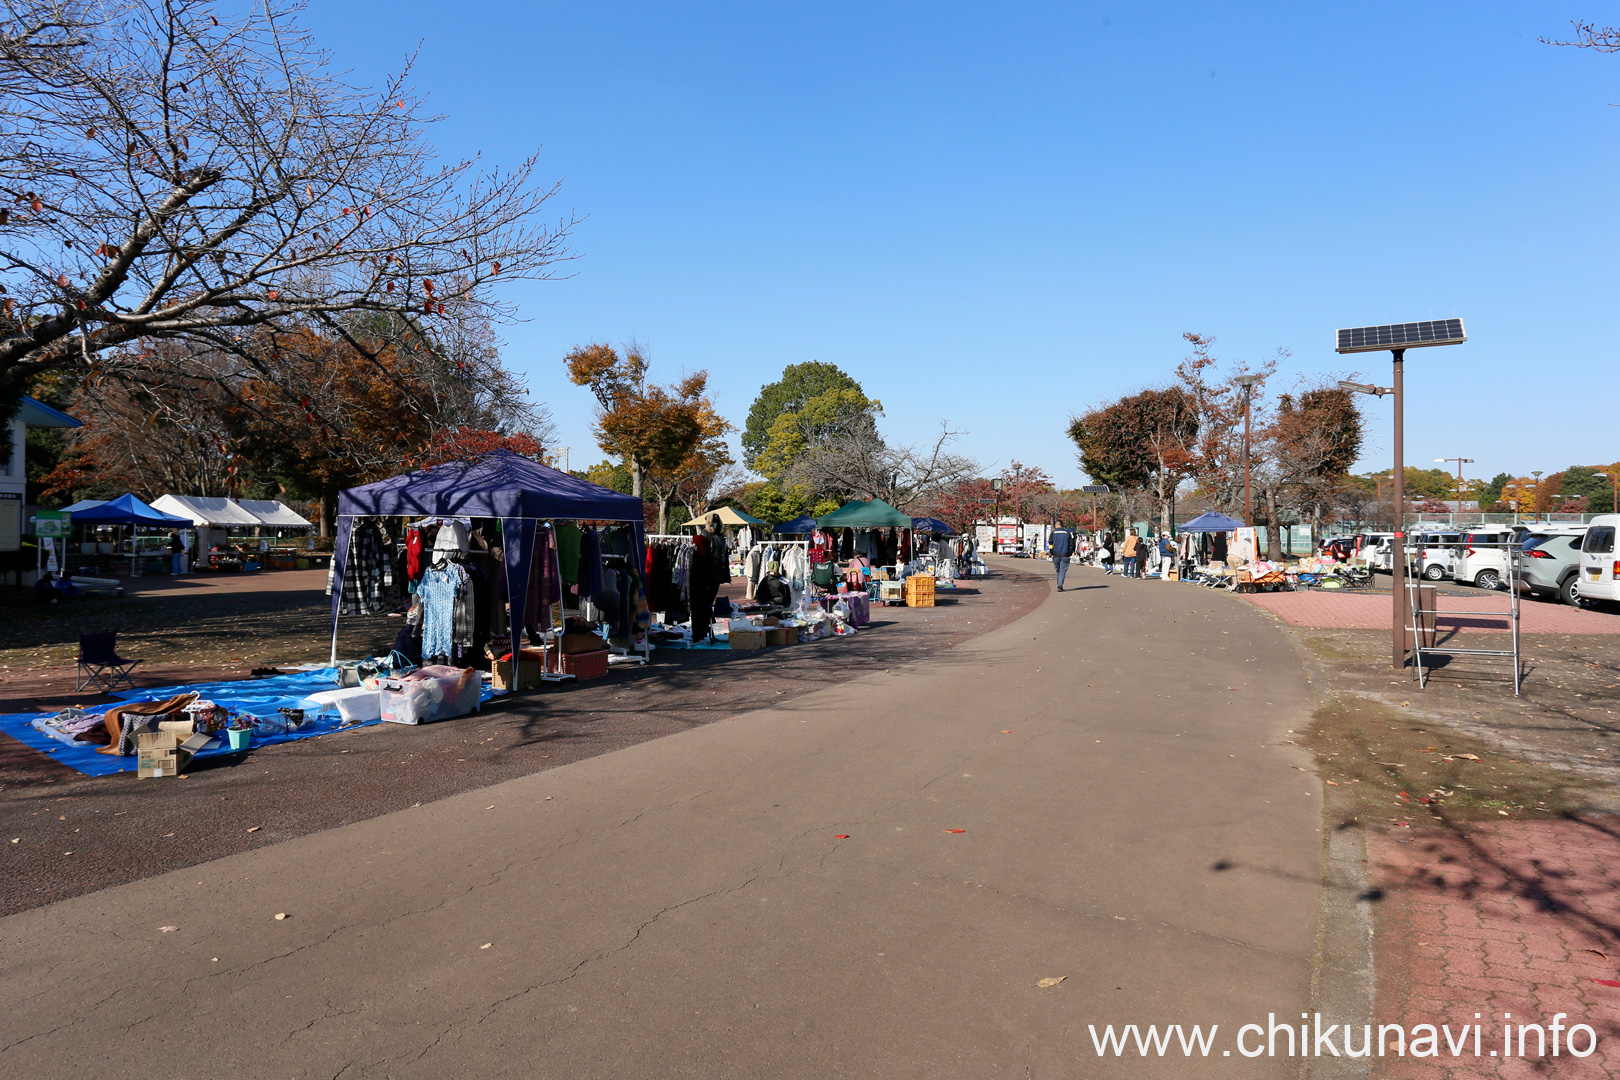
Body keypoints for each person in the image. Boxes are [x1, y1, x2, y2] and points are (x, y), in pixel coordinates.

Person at [1048, 520, 1076, 591]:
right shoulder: (1067, 533)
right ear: (1062, 525)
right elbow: (1071, 544)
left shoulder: (1053, 533)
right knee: (1062, 570)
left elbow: (1050, 544)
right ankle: (1060, 585)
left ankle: (1059, 584)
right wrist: (1070, 553)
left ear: (1056, 525)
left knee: (1058, 570)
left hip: (1056, 554)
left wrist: (1051, 553)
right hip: (1065, 554)